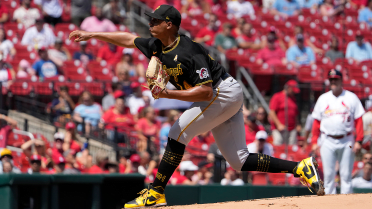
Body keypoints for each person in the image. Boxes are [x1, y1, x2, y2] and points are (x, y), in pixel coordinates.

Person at [69, 5, 325, 208]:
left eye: (155, 20)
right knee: (238, 160)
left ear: (169, 25)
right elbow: (128, 39)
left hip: (222, 91)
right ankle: (299, 167)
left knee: (176, 132)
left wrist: (167, 93)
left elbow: (205, 91)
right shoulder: (156, 45)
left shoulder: (189, 51)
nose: (150, 23)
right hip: (223, 96)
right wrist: (93, 35)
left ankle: (156, 192)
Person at [311, 69, 365, 194]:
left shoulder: (351, 98)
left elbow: (359, 121)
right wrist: (314, 141)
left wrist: (359, 140)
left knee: (346, 176)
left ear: (341, 80)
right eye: (331, 79)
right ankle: (331, 205)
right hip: (327, 140)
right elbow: (316, 123)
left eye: (335, 79)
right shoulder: (323, 99)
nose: (333, 81)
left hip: (347, 140)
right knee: (329, 176)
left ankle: (346, 205)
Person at [269, 80, 301, 145]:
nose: (294, 92)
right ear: (288, 88)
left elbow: (295, 113)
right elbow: (272, 112)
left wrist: (297, 124)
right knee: (278, 146)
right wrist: (278, 124)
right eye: (293, 90)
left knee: (292, 149)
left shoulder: (293, 98)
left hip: (292, 129)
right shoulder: (277, 96)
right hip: (279, 129)